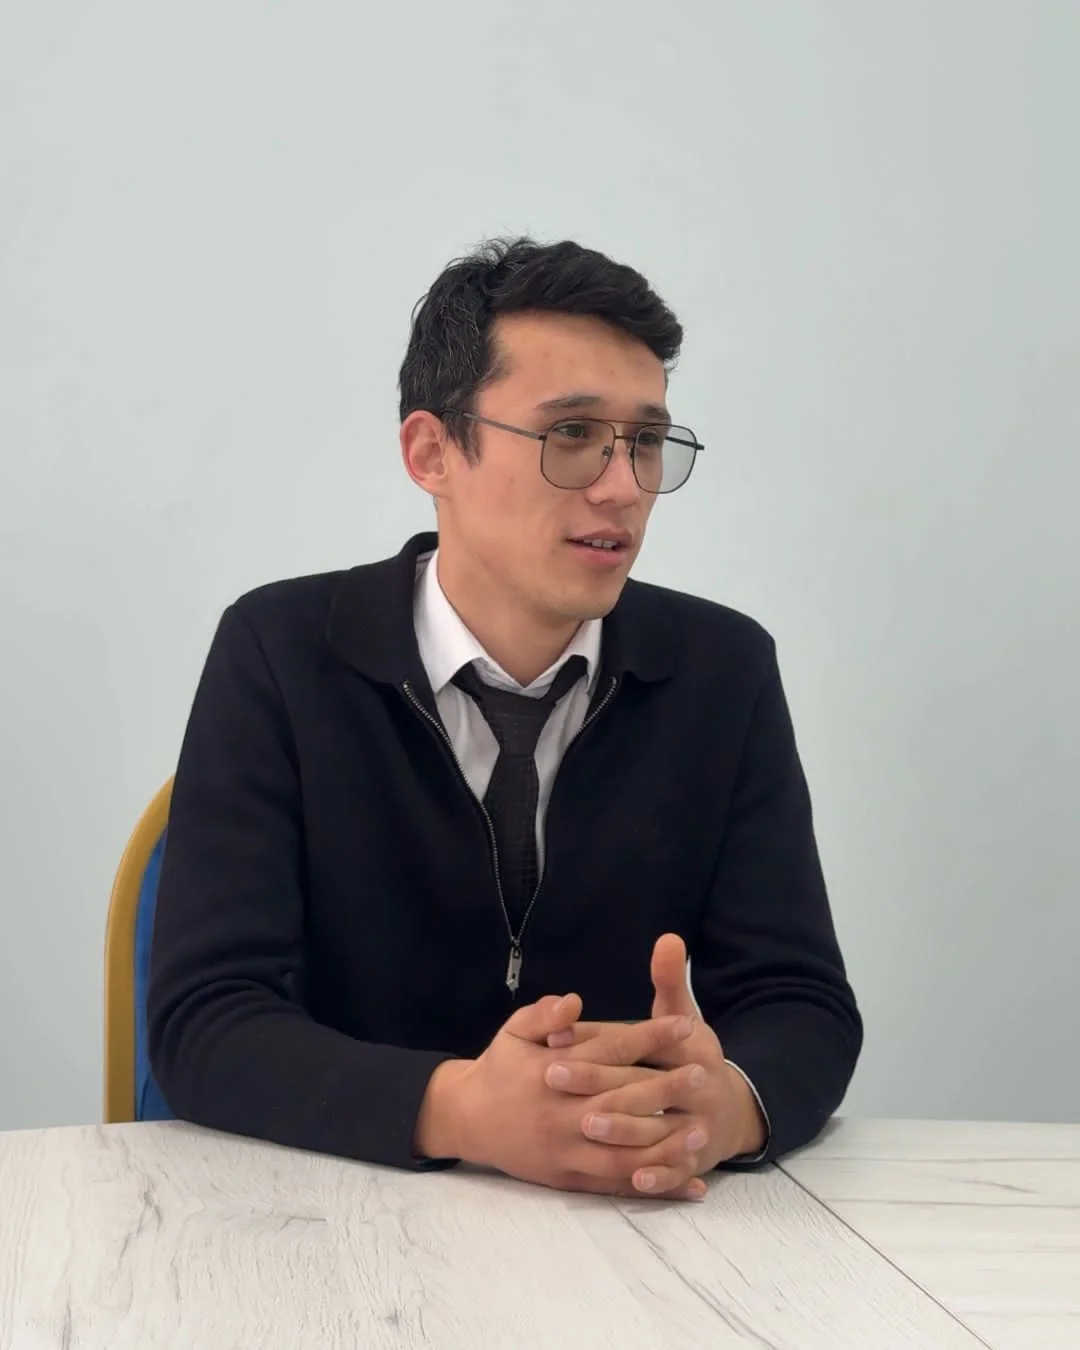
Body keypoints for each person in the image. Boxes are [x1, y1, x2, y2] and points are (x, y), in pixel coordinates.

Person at [148, 237, 862, 1203]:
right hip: (328, 1216)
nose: (622, 486)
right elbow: (205, 1021)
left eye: (646, 442)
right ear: (432, 452)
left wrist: (719, 1106)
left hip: (620, 1221)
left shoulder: (721, 670)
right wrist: (464, 1110)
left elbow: (802, 1003)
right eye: (571, 433)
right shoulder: (280, 650)